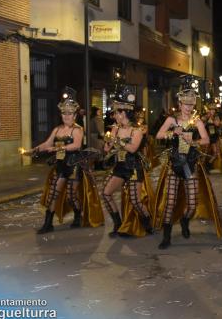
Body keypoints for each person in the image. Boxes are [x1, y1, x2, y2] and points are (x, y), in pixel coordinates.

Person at [153, 76, 222, 249]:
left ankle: (185, 220)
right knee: (170, 201)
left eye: (191, 104)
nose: (189, 107)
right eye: (186, 104)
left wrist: (194, 143)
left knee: (192, 203)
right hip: (174, 164)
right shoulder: (172, 120)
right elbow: (158, 135)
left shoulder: (197, 121)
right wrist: (173, 133)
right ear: (180, 103)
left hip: (190, 164)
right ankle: (167, 235)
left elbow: (206, 139)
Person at [33, 87, 104, 233]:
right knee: (53, 193)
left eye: (69, 113)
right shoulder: (57, 129)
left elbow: (76, 145)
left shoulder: (77, 129)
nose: (66, 116)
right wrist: (34, 150)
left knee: (72, 196)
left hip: (74, 165)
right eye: (64, 113)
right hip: (60, 165)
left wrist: (59, 149)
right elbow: (47, 144)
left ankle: (78, 215)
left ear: (75, 115)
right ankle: (48, 224)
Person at [101, 85, 154, 237]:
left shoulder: (136, 130)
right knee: (106, 193)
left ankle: (148, 224)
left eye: (116, 113)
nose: (114, 116)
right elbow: (107, 149)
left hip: (133, 167)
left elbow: (132, 149)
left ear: (123, 113)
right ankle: (118, 224)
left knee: (135, 201)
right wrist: (108, 142)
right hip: (119, 167)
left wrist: (118, 140)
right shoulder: (115, 129)